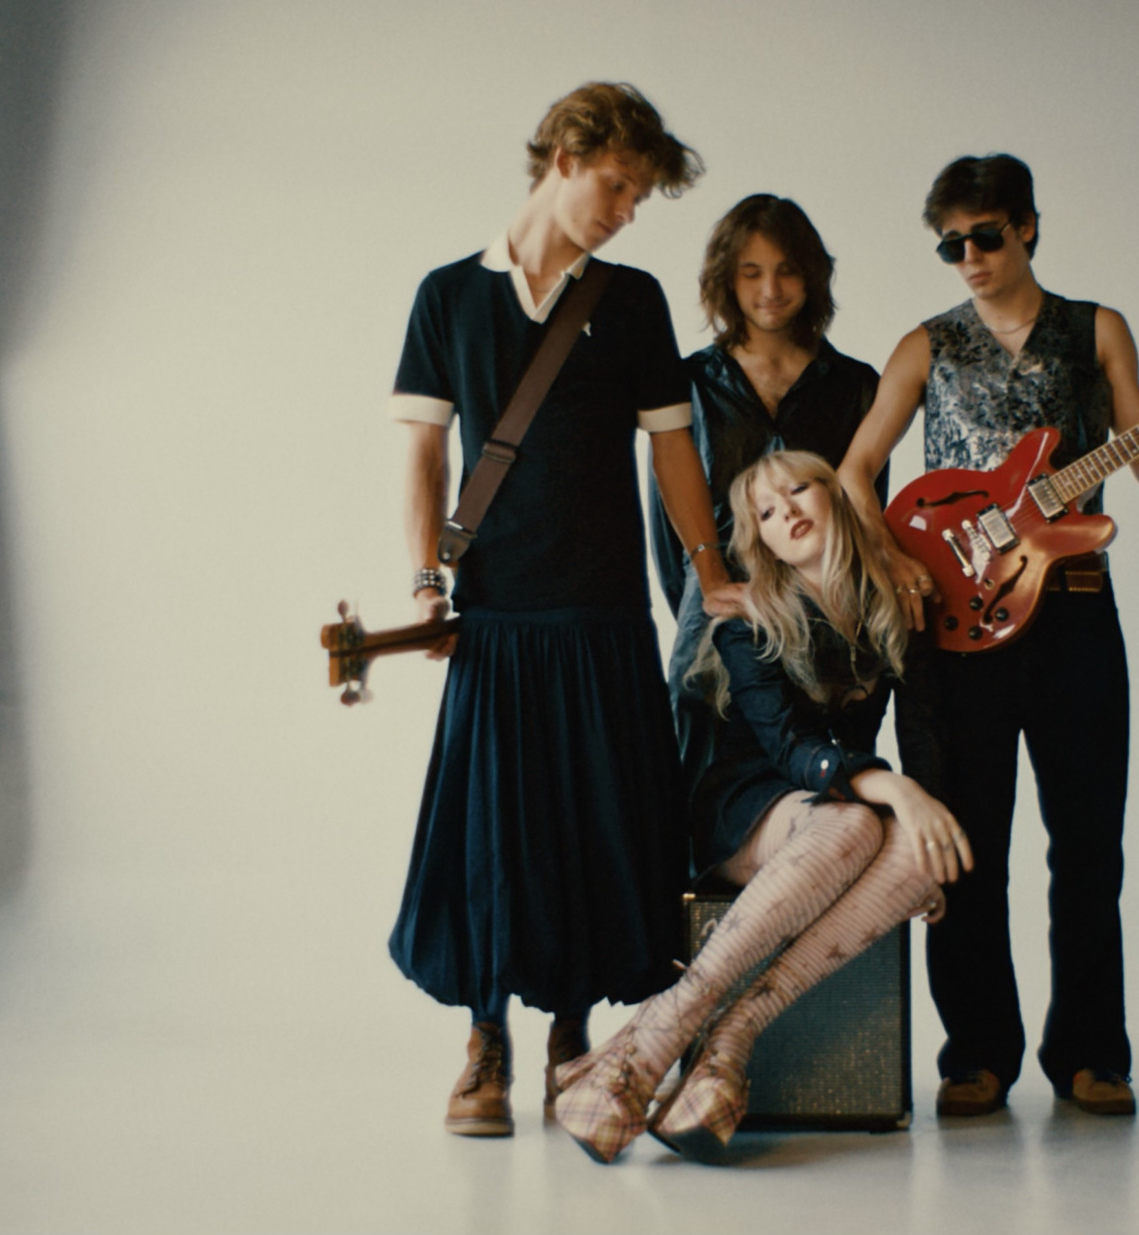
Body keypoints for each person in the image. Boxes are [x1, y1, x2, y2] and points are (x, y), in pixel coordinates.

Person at [836, 154, 1139, 1118]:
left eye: (986, 236)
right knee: (966, 848)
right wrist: (899, 564)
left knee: (1087, 846)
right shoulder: (926, 344)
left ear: (1029, 227)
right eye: (951, 244)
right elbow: (854, 470)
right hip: (956, 630)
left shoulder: (1096, 328)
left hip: (1075, 609)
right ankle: (976, 1055)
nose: (969, 257)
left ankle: (1090, 1054)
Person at [384, 82, 740, 1139]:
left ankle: (571, 1037)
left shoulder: (631, 301)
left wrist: (709, 567)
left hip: (602, 614)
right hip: (496, 612)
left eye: (638, 197)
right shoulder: (447, 296)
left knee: (593, 824)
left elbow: (674, 449)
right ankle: (484, 1040)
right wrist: (423, 580)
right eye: (618, 186)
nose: (626, 211)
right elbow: (421, 452)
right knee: (491, 831)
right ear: (567, 158)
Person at [553, 451, 969, 1163]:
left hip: (835, 804)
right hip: (744, 803)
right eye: (767, 513)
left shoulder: (894, 607)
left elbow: (924, 736)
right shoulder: (747, 621)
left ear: (837, 498)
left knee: (922, 851)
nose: (788, 512)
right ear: (762, 541)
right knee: (856, 821)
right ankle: (657, 1039)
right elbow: (789, 749)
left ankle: (730, 1040)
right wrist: (897, 789)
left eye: (799, 490)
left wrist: (927, 819)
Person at [647, 194, 884, 834]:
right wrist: (705, 593)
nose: (770, 290)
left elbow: (867, 510)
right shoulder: (689, 383)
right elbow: (668, 524)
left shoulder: (856, 384)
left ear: (812, 276)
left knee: (830, 791)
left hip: (828, 615)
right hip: (718, 607)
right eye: (751, 273)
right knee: (702, 788)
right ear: (726, 280)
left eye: (787, 270)